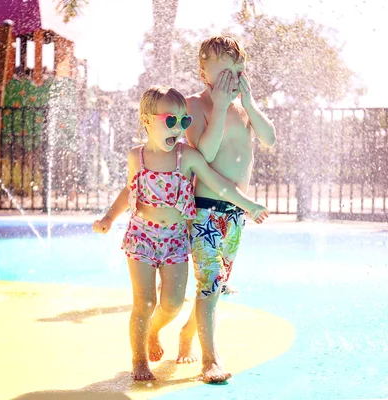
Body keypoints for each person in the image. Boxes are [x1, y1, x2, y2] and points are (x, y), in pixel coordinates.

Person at [92, 85, 269, 381]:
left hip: (175, 239)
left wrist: (247, 204)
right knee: (144, 301)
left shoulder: (186, 156)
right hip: (142, 237)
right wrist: (109, 216)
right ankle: (139, 360)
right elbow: (129, 189)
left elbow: (218, 183)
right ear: (147, 119)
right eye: (170, 121)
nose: (179, 127)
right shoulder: (137, 157)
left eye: (184, 121)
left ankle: (153, 330)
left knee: (172, 304)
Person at [176, 35, 277, 383]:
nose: (233, 79)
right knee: (208, 285)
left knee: (215, 287)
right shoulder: (196, 104)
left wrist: (249, 104)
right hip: (205, 209)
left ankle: (189, 333)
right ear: (204, 72)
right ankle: (210, 359)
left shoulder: (243, 107)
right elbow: (203, 154)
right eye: (224, 72)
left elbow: (270, 138)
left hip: (236, 214)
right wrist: (218, 108)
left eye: (239, 70)